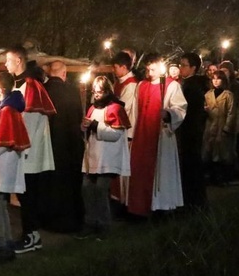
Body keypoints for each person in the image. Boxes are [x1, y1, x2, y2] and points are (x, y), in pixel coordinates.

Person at [4, 46, 56, 254]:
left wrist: (22, 147)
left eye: (8, 60)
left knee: (29, 195)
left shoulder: (30, 85)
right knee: (26, 195)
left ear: (18, 61)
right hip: (27, 148)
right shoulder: (22, 85)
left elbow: (30, 120)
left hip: (29, 150)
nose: (6, 64)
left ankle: (31, 236)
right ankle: (31, 234)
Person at [128, 55, 187, 217]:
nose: (149, 72)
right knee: (139, 170)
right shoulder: (141, 86)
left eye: (153, 69)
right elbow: (134, 111)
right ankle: (140, 207)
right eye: (147, 69)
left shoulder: (171, 86)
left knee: (162, 172)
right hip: (142, 135)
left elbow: (180, 108)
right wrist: (131, 134)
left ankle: (162, 206)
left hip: (161, 135)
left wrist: (168, 114)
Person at [0, 72, 31, 264]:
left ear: (2, 89)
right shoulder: (1, 108)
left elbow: (3, 141)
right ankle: (6, 242)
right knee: (0, 205)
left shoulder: (8, 111)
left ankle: (1, 246)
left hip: (0, 166)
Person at [78, 76, 130, 238]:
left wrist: (95, 125)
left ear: (107, 91)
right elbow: (87, 129)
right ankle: (90, 223)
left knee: (101, 190)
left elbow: (116, 134)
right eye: (94, 91)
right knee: (87, 189)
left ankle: (104, 225)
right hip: (93, 156)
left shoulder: (115, 108)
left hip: (108, 157)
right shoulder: (93, 108)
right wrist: (84, 126)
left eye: (99, 92)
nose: (96, 95)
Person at [40, 60, 84, 233]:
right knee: (68, 184)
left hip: (47, 143)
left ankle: (48, 219)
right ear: (64, 74)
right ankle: (71, 220)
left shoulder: (42, 90)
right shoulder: (71, 91)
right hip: (69, 144)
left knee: (49, 183)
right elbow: (77, 116)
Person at [177, 52, 209, 210]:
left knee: (192, 166)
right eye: (180, 64)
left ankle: (194, 202)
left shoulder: (192, 87)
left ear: (194, 68)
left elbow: (187, 111)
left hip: (190, 131)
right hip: (191, 130)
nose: (180, 68)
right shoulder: (188, 84)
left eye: (184, 65)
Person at [109, 51, 138, 211]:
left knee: (123, 170)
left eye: (115, 67)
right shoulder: (120, 82)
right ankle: (117, 200)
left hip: (125, 132)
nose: (113, 70)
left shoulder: (131, 84)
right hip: (117, 130)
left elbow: (123, 108)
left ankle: (124, 202)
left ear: (124, 67)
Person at [203, 70, 235, 185]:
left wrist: (227, 127)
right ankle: (212, 177)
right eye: (214, 78)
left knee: (222, 153)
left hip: (221, 126)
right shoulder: (208, 94)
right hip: (210, 126)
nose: (216, 81)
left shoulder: (228, 95)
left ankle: (223, 177)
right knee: (209, 152)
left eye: (218, 78)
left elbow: (231, 113)